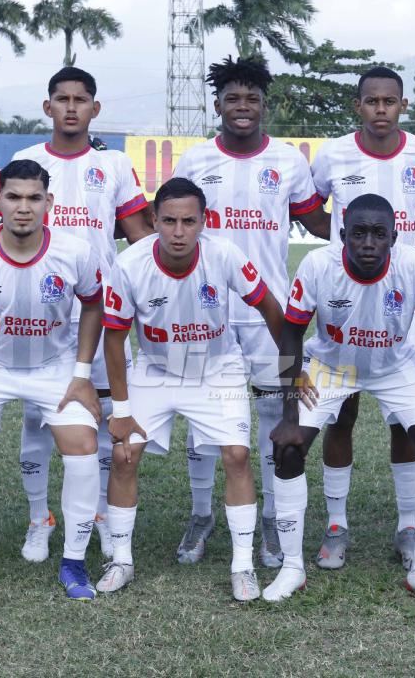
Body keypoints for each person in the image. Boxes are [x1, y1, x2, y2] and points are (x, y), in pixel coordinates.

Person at [170, 55, 329, 569]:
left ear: (265, 105)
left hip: (270, 313)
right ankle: (201, 515)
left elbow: (321, 223)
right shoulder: (194, 161)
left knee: (270, 412)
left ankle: (269, 523)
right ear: (218, 105)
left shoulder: (288, 162)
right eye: (233, 99)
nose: (243, 107)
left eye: (252, 99)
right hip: (202, 309)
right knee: (202, 415)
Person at [99, 177, 285, 602]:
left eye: (188, 221)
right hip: (156, 369)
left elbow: (270, 307)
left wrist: (294, 369)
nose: (178, 232)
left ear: (205, 221)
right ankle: (121, 560)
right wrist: (122, 408)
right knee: (125, 452)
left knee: (237, 456)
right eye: (168, 221)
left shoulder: (224, 255)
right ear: (153, 220)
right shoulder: (130, 265)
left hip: (216, 368)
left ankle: (242, 567)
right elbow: (114, 338)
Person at [266, 193, 415, 601]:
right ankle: (294, 565)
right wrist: (289, 411)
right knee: (287, 447)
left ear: (394, 236)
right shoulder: (319, 265)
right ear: (342, 236)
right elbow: (290, 333)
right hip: (331, 367)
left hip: (397, 367)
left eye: (378, 234)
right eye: (358, 234)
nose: (368, 243)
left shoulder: (414, 264)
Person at [0, 159, 105, 602]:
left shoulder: (76, 251)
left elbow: (93, 307)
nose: (22, 208)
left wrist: (82, 374)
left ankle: (73, 564)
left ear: (48, 203)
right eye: (13, 197)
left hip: (55, 365)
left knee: (83, 447)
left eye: (32, 198)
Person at [10, 66, 152, 563]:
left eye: (81, 99)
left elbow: (139, 235)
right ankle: (38, 519)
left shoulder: (113, 165)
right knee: (37, 419)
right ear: (47, 107)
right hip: (40, 314)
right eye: (62, 99)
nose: (71, 108)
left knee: (110, 416)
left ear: (96, 108)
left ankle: (99, 513)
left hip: (101, 313)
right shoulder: (25, 160)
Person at [308, 66, 415, 569]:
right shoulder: (335, 153)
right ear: (358, 105)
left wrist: (402, 258)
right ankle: (336, 524)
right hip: (344, 299)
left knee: (405, 425)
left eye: (390, 101)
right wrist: (344, 245)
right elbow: (312, 208)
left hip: (396, 308)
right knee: (340, 415)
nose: (381, 109)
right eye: (372, 101)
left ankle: (408, 525)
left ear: (403, 106)